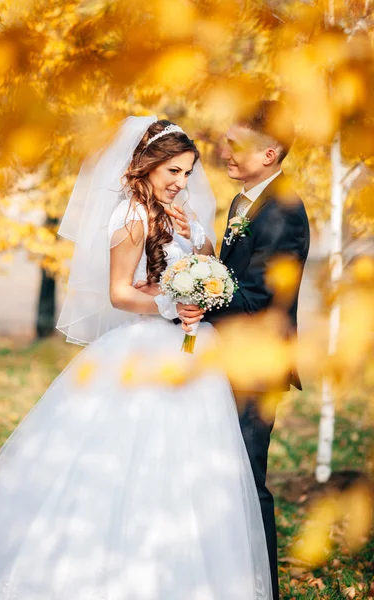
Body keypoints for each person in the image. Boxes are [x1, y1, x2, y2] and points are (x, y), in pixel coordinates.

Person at [0, 116, 272, 600]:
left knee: (193, 467)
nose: (181, 182)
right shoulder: (131, 215)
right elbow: (118, 293)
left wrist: (198, 256)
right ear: (148, 166)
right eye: (172, 171)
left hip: (193, 353)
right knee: (135, 459)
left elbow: (209, 267)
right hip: (146, 347)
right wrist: (171, 302)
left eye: (188, 173)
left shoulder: (186, 216)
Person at [179, 100, 310, 600]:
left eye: (237, 146)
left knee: (248, 482)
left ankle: (262, 590)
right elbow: (233, 275)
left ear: (270, 153)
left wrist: (194, 296)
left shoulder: (284, 210)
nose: (224, 153)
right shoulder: (244, 202)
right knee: (219, 476)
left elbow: (259, 297)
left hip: (255, 367)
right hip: (228, 359)